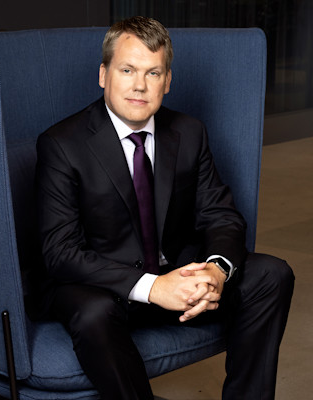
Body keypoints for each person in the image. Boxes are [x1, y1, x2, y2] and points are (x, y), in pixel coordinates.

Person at [35, 16, 294, 400]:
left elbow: (220, 215)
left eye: (153, 73)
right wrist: (154, 287)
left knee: (271, 274)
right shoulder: (62, 143)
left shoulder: (188, 132)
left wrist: (216, 272)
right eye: (127, 70)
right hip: (105, 286)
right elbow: (60, 252)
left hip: (175, 273)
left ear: (167, 81)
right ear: (104, 74)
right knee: (92, 312)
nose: (139, 85)